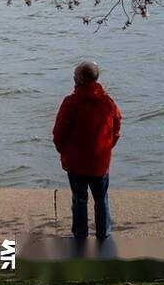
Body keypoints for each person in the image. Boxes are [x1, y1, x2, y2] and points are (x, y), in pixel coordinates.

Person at [52, 60, 122, 241]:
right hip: (99, 161)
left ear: (81, 79)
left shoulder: (71, 102)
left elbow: (59, 133)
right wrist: (106, 148)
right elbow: (116, 129)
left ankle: (80, 234)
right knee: (101, 199)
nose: (73, 78)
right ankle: (103, 233)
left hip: (76, 162)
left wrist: (64, 152)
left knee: (79, 198)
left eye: (75, 75)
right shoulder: (107, 102)